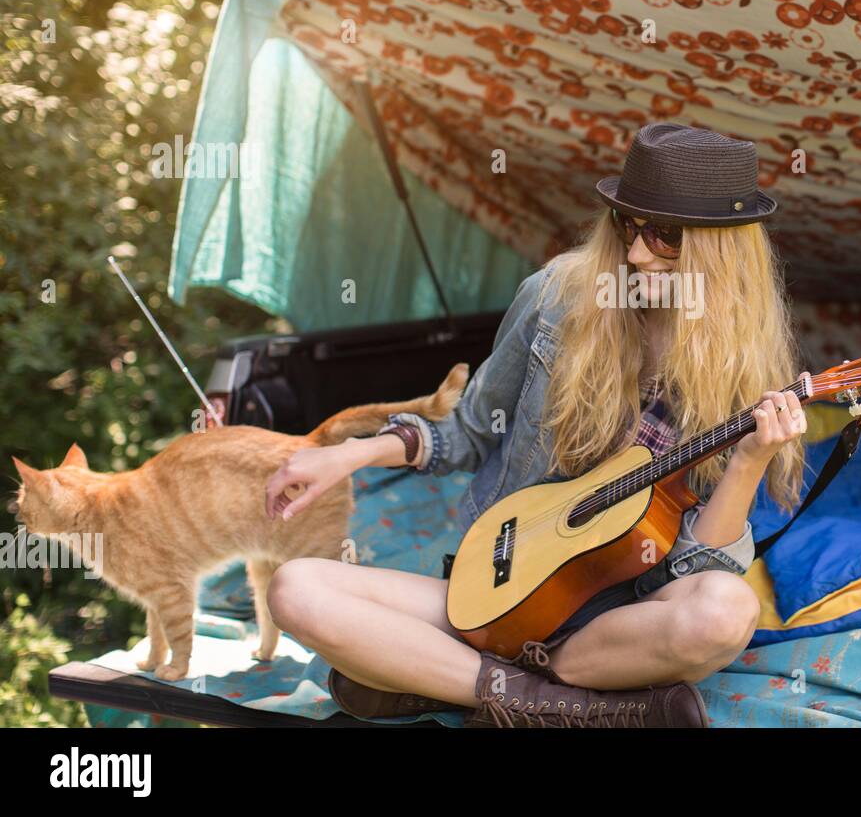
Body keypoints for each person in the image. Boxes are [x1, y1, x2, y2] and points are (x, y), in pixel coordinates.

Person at [264, 123, 809, 727]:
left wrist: (750, 462)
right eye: (628, 225)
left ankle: (446, 678)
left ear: (722, 248)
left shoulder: (744, 365)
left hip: (616, 620)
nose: (634, 253)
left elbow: (700, 567)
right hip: (501, 594)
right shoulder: (556, 297)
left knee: (726, 611)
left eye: (666, 236)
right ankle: (559, 707)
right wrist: (349, 455)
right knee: (295, 589)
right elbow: (471, 431)